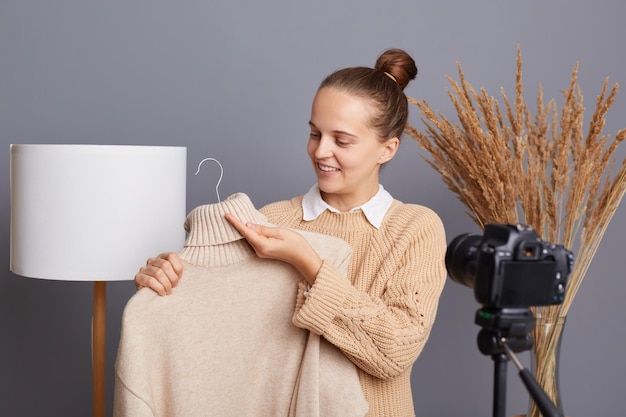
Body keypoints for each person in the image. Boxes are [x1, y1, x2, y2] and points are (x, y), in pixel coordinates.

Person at [134, 48, 447, 417]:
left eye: (341, 140)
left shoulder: (415, 228)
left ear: (387, 149)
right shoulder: (272, 220)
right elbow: (222, 340)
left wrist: (308, 261)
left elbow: (393, 352)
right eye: (315, 134)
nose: (321, 151)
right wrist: (163, 288)